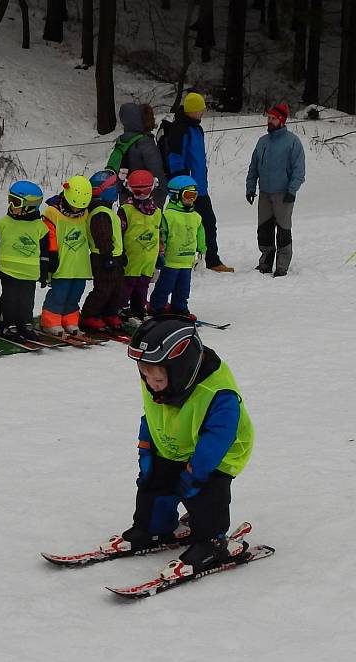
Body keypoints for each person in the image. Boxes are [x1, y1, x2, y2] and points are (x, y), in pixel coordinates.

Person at [101, 315, 254, 579]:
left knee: (204, 494)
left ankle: (212, 542)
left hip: (216, 455)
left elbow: (217, 438)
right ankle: (154, 527)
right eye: (145, 376)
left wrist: (196, 473)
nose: (151, 385)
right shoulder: (158, 377)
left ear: (181, 369)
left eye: (157, 380)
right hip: (173, 445)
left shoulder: (218, 393)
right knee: (153, 485)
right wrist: (146, 449)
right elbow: (151, 414)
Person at [164, 92, 234, 273]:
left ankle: (210, 260)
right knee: (190, 225)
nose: (203, 112)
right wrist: (183, 184)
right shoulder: (180, 130)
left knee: (207, 223)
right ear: (192, 110)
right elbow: (175, 159)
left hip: (200, 188)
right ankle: (187, 261)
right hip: (187, 189)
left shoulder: (196, 128)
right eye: (200, 109)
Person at [0, 181, 50, 341]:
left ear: (30, 205)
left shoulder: (39, 227)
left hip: (29, 274)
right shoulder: (4, 222)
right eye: (10, 199)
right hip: (8, 272)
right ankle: (6, 325)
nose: (10, 204)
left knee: (26, 301)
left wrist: (45, 271)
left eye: (15, 202)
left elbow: (45, 252)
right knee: (9, 300)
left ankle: (25, 324)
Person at [245, 103, 306, 277]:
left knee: (283, 230)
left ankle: (282, 266)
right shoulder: (262, 142)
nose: (269, 121)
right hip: (264, 193)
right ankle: (265, 261)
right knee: (264, 230)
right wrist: (250, 188)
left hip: (284, 194)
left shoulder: (293, 142)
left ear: (281, 120)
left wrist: (292, 190)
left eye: (272, 118)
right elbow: (253, 168)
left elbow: (299, 170)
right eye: (268, 118)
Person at [40, 175, 93, 335]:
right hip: (62, 264)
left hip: (80, 265)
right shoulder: (52, 212)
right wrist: (51, 255)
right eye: (74, 206)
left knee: (75, 294)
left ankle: (70, 321)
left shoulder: (85, 213)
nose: (77, 210)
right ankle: (50, 321)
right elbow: (48, 235)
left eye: (80, 207)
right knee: (59, 294)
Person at [148, 176, 206, 320]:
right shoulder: (168, 216)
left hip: (187, 261)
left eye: (194, 195)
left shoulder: (196, 216)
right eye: (188, 195)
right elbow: (162, 236)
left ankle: (180, 307)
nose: (191, 199)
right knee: (165, 287)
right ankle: (157, 306)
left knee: (183, 288)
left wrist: (202, 252)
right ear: (175, 196)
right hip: (171, 261)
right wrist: (159, 255)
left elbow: (200, 234)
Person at [79, 169, 126, 331]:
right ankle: (89, 315)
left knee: (118, 289)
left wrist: (121, 254)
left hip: (115, 256)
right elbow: (102, 236)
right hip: (103, 257)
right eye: (114, 187)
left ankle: (109, 313)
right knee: (103, 289)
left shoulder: (106, 210)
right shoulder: (99, 213)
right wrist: (108, 256)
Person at [115, 170, 163, 324]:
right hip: (131, 257)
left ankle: (139, 308)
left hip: (148, 257)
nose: (142, 195)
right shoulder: (126, 210)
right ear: (130, 189)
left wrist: (160, 254)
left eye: (146, 191)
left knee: (143, 284)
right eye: (137, 192)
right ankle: (122, 308)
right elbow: (118, 232)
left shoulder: (157, 212)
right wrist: (119, 252)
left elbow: (159, 234)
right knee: (127, 285)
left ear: (152, 188)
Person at [107, 102, 167, 208]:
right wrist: (159, 201)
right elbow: (157, 174)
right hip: (146, 201)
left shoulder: (122, 142)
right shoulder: (146, 144)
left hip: (126, 200)